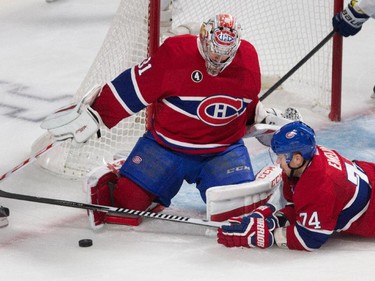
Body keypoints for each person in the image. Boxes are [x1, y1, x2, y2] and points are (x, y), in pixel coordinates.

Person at [41, 14, 299, 228]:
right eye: (214, 53)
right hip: (165, 147)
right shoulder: (175, 54)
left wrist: (262, 119)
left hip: (221, 150)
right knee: (124, 206)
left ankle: (261, 178)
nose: (217, 62)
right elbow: (132, 88)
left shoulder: (248, 58)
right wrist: (96, 114)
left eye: (225, 56)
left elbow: (244, 102)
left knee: (236, 216)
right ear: (203, 38)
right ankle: (127, 170)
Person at [217, 121, 375, 251]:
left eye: (281, 156)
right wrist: (272, 221)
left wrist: (267, 235)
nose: (278, 162)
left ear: (297, 159)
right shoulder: (308, 160)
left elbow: (310, 239)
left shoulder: (319, 187)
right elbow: (298, 205)